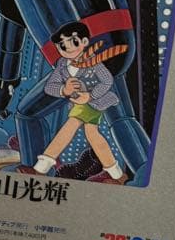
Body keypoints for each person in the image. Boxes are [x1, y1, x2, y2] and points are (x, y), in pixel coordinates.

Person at [20, 21, 127, 184]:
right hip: (78, 104)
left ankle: (40, 169)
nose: (68, 48)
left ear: (84, 42)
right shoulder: (62, 65)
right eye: (62, 45)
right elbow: (50, 86)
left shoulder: (93, 61)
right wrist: (64, 89)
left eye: (73, 42)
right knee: (93, 135)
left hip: (93, 103)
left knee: (70, 127)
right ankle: (118, 175)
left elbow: (107, 81)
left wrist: (90, 96)